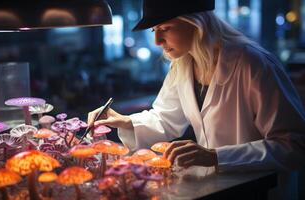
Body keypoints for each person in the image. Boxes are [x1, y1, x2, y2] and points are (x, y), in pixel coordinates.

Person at [88, 0, 305, 199]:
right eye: (155, 30)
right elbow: (166, 117)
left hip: (262, 191)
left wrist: (215, 157)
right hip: (216, 188)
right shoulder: (183, 63)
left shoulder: (253, 64)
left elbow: (293, 145)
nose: (157, 41)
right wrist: (125, 121)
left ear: (196, 23)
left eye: (164, 28)